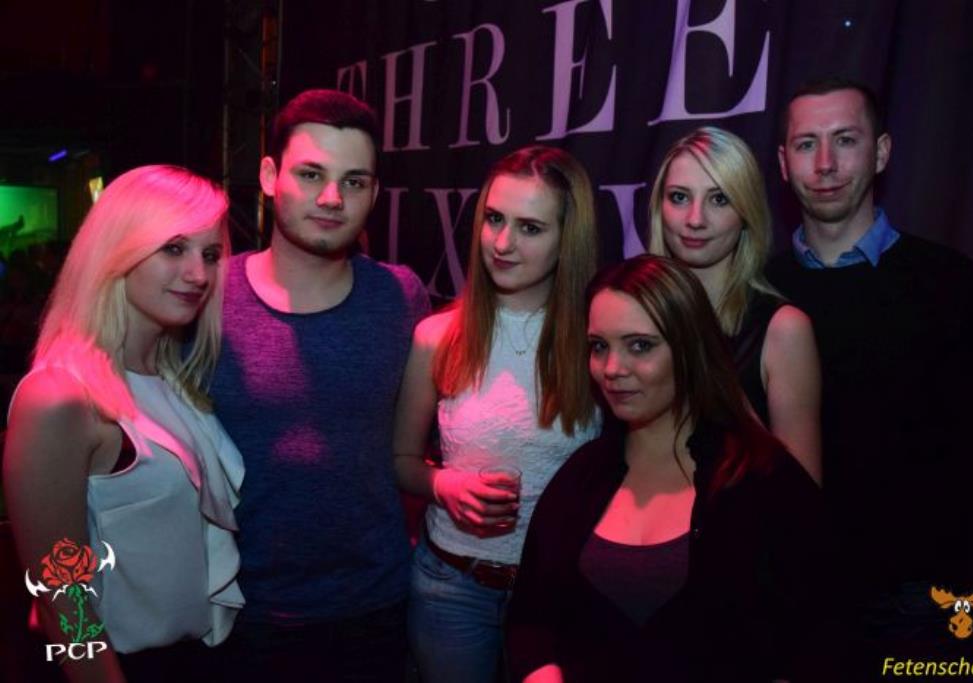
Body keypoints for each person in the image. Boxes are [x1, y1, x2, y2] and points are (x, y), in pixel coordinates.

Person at [767, 76, 973, 670]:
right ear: (782, 163)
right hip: (802, 601)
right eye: (806, 144)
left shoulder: (949, 283)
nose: (825, 164)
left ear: (881, 152)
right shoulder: (762, 291)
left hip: (934, 602)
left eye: (845, 140)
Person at [506, 255, 831, 682]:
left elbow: (820, 632)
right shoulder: (580, 479)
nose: (612, 369)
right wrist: (541, 670)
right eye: (599, 346)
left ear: (690, 348)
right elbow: (530, 618)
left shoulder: (762, 477)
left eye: (640, 345)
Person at [207, 90, 429, 683]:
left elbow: (413, 447)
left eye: (354, 182)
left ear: (374, 194)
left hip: (374, 608)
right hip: (235, 611)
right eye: (311, 174)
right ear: (269, 176)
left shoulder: (401, 296)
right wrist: (74, 628)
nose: (332, 198)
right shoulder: (206, 296)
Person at [3, 165, 243, 683]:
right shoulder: (60, 396)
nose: (199, 274)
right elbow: (63, 598)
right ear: (117, 250)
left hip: (194, 660)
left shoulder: (172, 381)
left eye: (209, 254)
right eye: (173, 248)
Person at [393, 145, 601, 683]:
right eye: (494, 219)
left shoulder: (597, 341)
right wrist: (444, 485)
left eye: (530, 228)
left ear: (568, 238)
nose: (503, 243)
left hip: (560, 593)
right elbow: (401, 461)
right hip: (452, 588)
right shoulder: (438, 336)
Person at [648, 126, 822, 483]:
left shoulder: (782, 329)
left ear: (746, 212)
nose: (695, 219)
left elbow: (803, 490)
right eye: (679, 197)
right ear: (659, 208)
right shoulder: (636, 316)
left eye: (719, 199)